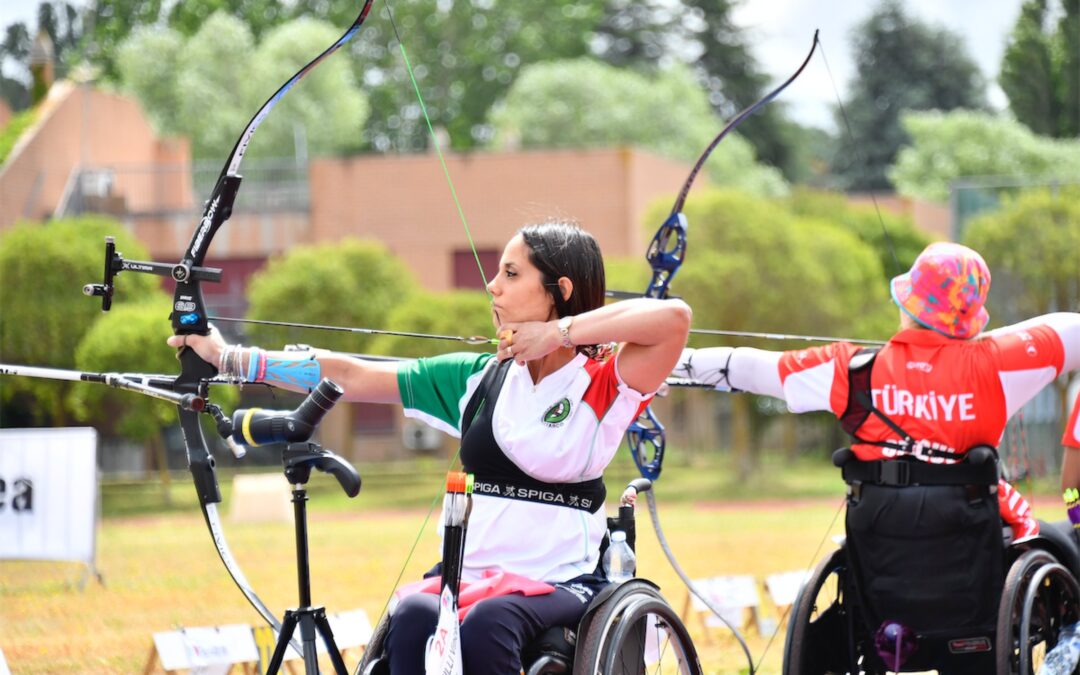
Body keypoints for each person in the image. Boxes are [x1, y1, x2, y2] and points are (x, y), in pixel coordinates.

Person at [169, 221, 691, 675]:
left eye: (511, 274)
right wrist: (229, 359)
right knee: (415, 615)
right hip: (469, 576)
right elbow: (352, 373)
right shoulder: (480, 380)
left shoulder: (604, 382)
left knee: (491, 623)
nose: (492, 286)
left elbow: (674, 320)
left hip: (561, 580)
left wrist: (557, 334)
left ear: (559, 288)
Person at [672, 242, 1080, 540]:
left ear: (908, 306)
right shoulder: (1000, 362)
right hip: (973, 534)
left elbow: (747, 367)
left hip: (881, 536)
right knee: (1059, 543)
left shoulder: (851, 369)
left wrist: (669, 364)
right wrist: (978, 340)